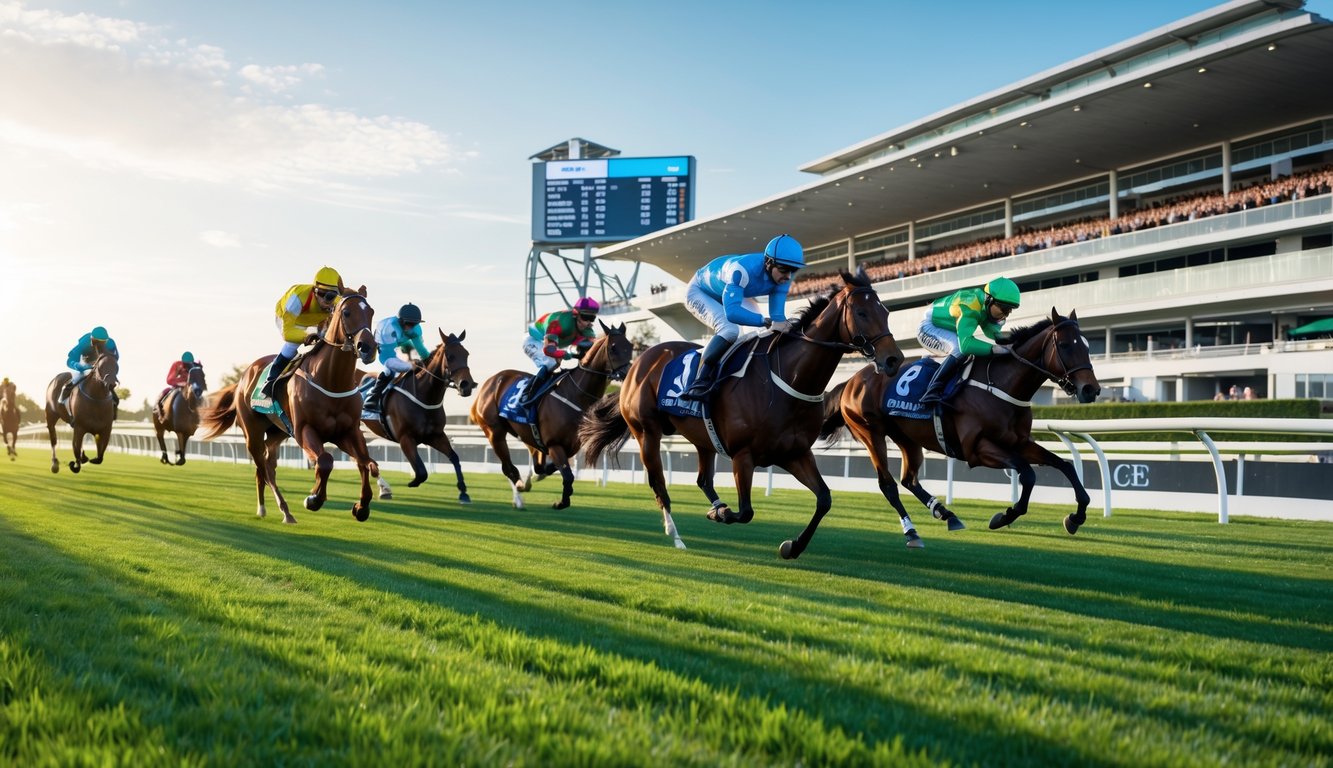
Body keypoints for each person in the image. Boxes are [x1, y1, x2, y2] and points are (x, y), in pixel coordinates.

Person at [680, 234, 804, 400]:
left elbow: (777, 318)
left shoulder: (783, 277)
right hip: (699, 291)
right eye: (783, 270)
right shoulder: (741, 270)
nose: (788, 276)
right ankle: (700, 381)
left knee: (758, 330)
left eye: (792, 271)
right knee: (730, 330)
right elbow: (732, 313)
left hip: (733, 293)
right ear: (768, 263)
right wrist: (765, 321)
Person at [916, 276, 1021, 405]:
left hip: (948, 328)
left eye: (1010, 311)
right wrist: (996, 349)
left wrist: (1012, 343)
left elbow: (992, 332)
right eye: (1004, 309)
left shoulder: (985, 306)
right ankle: (932, 390)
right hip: (928, 327)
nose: (1005, 315)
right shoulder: (970, 307)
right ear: (989, 300)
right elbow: (965, 345)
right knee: (959, 349)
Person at [259, 266, 342, 399]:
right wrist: (306, 336)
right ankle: (270, 381)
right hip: (289, 321)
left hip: (314, 321)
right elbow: (287, 333)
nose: (325, 300)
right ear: (314, 290)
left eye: (331, 296)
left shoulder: (338, 302)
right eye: (321, 294)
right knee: (292, 345)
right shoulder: (297, 298)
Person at [518, 296, 599, 407]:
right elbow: (549, 350)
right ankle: (528, 393)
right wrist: (568, 355)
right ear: (576, 314)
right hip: (533, 339)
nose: (588, 323)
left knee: (560, 359)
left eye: (592, 318)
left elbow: (594, 348)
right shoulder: (559, 322)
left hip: (549, 343)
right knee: (551, 362)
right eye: (585, 317)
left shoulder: (587, 329)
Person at [364, 303, 429, 413]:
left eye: (414, 324)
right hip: (385, 344)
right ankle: (372, 398)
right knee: (391, 370)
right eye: (409, 324)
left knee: (420, 363)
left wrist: (429, 362)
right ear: (401, 321)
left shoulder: (415, 329)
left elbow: (421, 350)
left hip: (402, 341)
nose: (411, 327)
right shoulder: (388, 328)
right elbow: (389, 360)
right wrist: (409, 366)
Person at [62, 326, 119, 403]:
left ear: (106, 341)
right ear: (92, 340)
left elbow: (115, 359)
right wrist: (81, 367)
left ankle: (114, 404)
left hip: (101, 368)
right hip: (85, 366)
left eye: (103, 343)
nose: (100, 346)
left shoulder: (111, 343)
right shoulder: (84, 342)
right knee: (75, 379)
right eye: (97, 343)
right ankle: (62, 401)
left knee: (112, 390)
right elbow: (70, 360)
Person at [154, 352, 198, 421]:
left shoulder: (195, 366)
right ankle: (161, 413)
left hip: (190, 387)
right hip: (177, 386)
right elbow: (169, 380)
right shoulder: (177, 364)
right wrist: (180, 383)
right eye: (186, 364)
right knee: (164, 393)